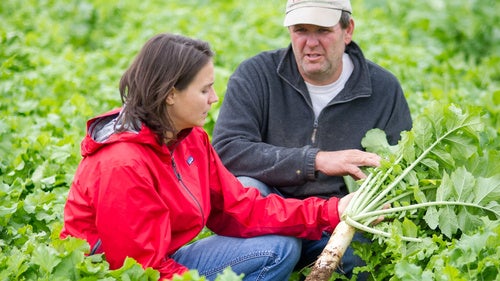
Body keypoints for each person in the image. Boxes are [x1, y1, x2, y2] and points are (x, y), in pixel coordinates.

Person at [60, 33, 364, 281]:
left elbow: (240, 208)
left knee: (280, 247)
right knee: (275, 250)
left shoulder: (191, 138)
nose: (214, 98)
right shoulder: (123, 163)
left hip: (166, 257)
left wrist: (331, 211)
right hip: (128, 272)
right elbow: (138, 270)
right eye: (205, 89)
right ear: (170, 94)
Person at [212, 0, 413, 278]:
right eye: (301, 30)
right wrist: (315, 160)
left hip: (340, 220)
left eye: (322, 30)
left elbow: (397, 173)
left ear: (348, 30)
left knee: (362, 257)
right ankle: (279, 254)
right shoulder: (256, 75)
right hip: (271, 213)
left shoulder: (383, 89)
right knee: (249, 188)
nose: (310, 42)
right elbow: (227, 150)